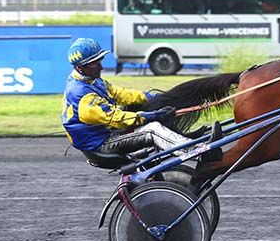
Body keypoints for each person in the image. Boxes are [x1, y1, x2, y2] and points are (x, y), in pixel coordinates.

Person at [61, 37, 203, 157]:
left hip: (103, 133)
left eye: (100, 61)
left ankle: (185, 138)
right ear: (80, 68)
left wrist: (152, 98)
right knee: (152, 129)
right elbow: (115, 118)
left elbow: (120, 94)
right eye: (95, 63)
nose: (101, 67)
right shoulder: (82, 95)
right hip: (100, 145)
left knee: (142, 107)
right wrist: (150, 116)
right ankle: (195, 151)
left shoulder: (90, 79)